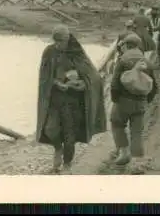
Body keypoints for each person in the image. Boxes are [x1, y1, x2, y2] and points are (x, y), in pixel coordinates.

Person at [36, 25, 107, 174]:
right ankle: (57, 148)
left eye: (60, 42)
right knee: (50, 129)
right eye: (55, 42)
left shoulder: (76, 53)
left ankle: (67, 164)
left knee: (70, 134)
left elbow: (93, 77)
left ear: (67, 39)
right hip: (54, 99)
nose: (58, 45)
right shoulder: (49, 52)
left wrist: (81, 85)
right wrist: (56, 83)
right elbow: (44, 76)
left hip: (73, 102)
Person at [109, 33, 155, 174]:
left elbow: (115, 84)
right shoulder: (146, 62)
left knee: (116, 123)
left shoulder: (122, 60)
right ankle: (138, 162)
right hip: (140, 103)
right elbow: (154, 86)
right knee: (137, 132)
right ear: (138, 45)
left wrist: (115, 100)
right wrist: (146, 101)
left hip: (123, 101)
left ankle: (124, 153)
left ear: (126, 45)